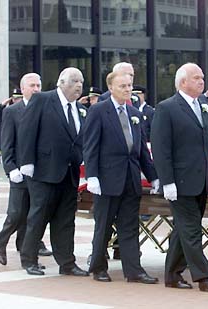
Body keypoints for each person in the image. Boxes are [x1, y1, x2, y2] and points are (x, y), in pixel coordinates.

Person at [151, 62, 208, 291]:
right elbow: (161, 149)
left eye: (202, 77)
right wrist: (167, 181)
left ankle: (172, 275)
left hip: (200, 182)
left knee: (183, 229)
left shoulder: (204, 107)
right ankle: (203, 277)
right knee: (191, 229)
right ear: (183, 82)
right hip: (179, 183)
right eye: (196, 78)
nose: (202, 81)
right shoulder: (167, 108)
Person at [83, 71, 160, 284]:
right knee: (104, 226)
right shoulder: (99, 111)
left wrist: (153, 176)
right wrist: (92, 176)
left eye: (129, 85)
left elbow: (141, 149)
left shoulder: (135, 112)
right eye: (123, 86)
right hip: (107, 179)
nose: (128, 89)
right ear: (111, 88)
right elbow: (90, 146)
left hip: (130, 179)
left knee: (129, 226)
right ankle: (98, 267)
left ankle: (133, 270)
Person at [18, 67, 88, 276]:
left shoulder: (79, 108)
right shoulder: (42, 100)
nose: (79, 85)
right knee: (39, 216)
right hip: (44, 171)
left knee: (66, 219)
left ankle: (67, 262)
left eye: (81, 82)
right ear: (60, 82)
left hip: (70, 172)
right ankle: (29, 259)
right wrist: (27, 161)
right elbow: (27, 130)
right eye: (74, 81)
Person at [0, 73, 52, 266]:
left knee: (33, 216)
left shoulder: (46, 109)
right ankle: (0, 242)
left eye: (38, 85)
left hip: (39, 173)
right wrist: (11, 169)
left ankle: (26, 251)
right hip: (19, 172)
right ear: (23, 88)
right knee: (16, 214)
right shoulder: (12, 111)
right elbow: (7, 143)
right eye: (32, 85)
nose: (36, 89)